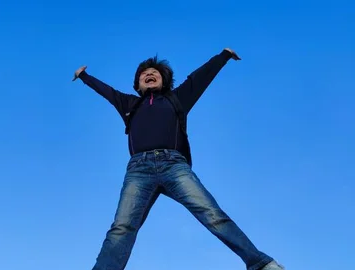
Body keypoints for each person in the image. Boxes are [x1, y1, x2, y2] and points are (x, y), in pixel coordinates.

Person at [72, 48, 284, 270]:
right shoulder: (130, 104)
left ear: (164, 81)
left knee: (212, 214)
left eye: (155, 72)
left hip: (173, 166)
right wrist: (84, 77)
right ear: (138, 85)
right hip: (138, 170)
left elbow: (199, 78)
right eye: (144, 74)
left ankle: (261, 264)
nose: (149, 74)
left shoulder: (177, 99)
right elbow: (107, 91)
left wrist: (222, 57)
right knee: (122, 227)